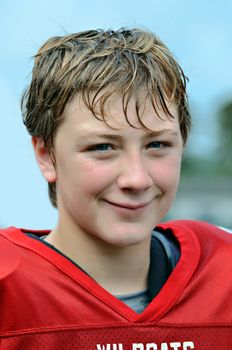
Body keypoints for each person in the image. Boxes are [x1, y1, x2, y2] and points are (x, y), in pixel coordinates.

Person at [0, 28, 231, 350]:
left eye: (158, 144)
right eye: (103, 147)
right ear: (46, 155)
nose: (137, 179)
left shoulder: (224, 272)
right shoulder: (8, 289)